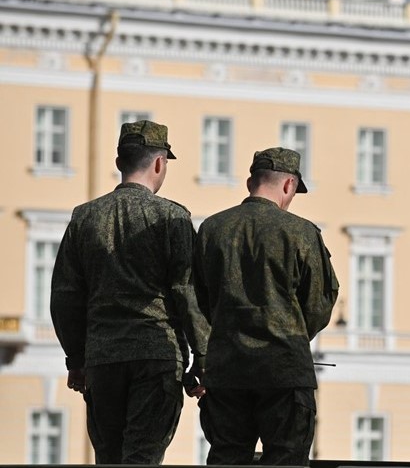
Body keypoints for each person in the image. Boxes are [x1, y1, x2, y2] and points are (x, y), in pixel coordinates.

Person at [50, 120, 209, 464]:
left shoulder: (84, 217)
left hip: (103, 356)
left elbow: (65, 294)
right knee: (143, 457)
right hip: (157, 354)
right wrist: (203, 355)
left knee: (109, 458)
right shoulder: (172, 217)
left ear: (119, 162)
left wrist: (76, 359)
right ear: (158, 164)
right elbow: (187, 290)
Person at [193, 147, 339, 465]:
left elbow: (201, 298)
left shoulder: (212, 230)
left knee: (228, 458)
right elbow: (319, 304)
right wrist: (291, 332)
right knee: (286, 460)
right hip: (284, 371)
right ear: (288, 185)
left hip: (227, 370)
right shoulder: (302, 232)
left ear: (250, 182)